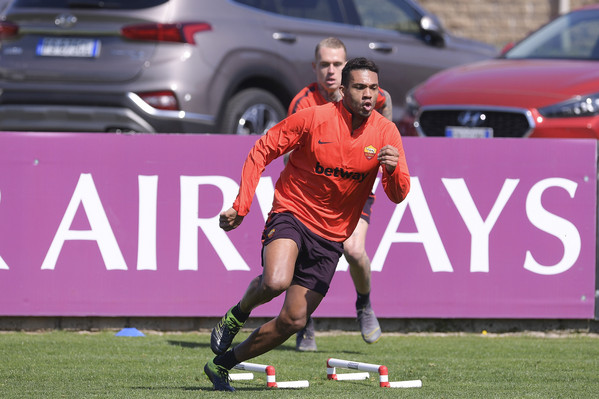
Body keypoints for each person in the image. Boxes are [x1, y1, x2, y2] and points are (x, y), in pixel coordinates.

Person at [204, 57, 410, 391]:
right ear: (343, 91)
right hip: (293, 212)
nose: (368, 94)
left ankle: (222, 365)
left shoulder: (386, 133)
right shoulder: (314, 118)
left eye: (373, 88)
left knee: (294, 320)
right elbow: (262, 150)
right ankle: (236, 315)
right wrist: (241, 207)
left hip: (331, 237)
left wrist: (393, 169)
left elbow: (398, 194)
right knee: (275, 281)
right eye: (359, 87)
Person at [288, 37, 392, 351]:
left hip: (355, 190)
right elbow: (288, 152)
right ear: (315, 68)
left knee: (354, 251)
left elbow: (382, 131)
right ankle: (303, 322)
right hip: (313, 197)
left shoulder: (375, 96)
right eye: (325, 65)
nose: (331, 71)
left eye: (338, 65)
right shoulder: (303, 102)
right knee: (301, 255)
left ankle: (363, 304)